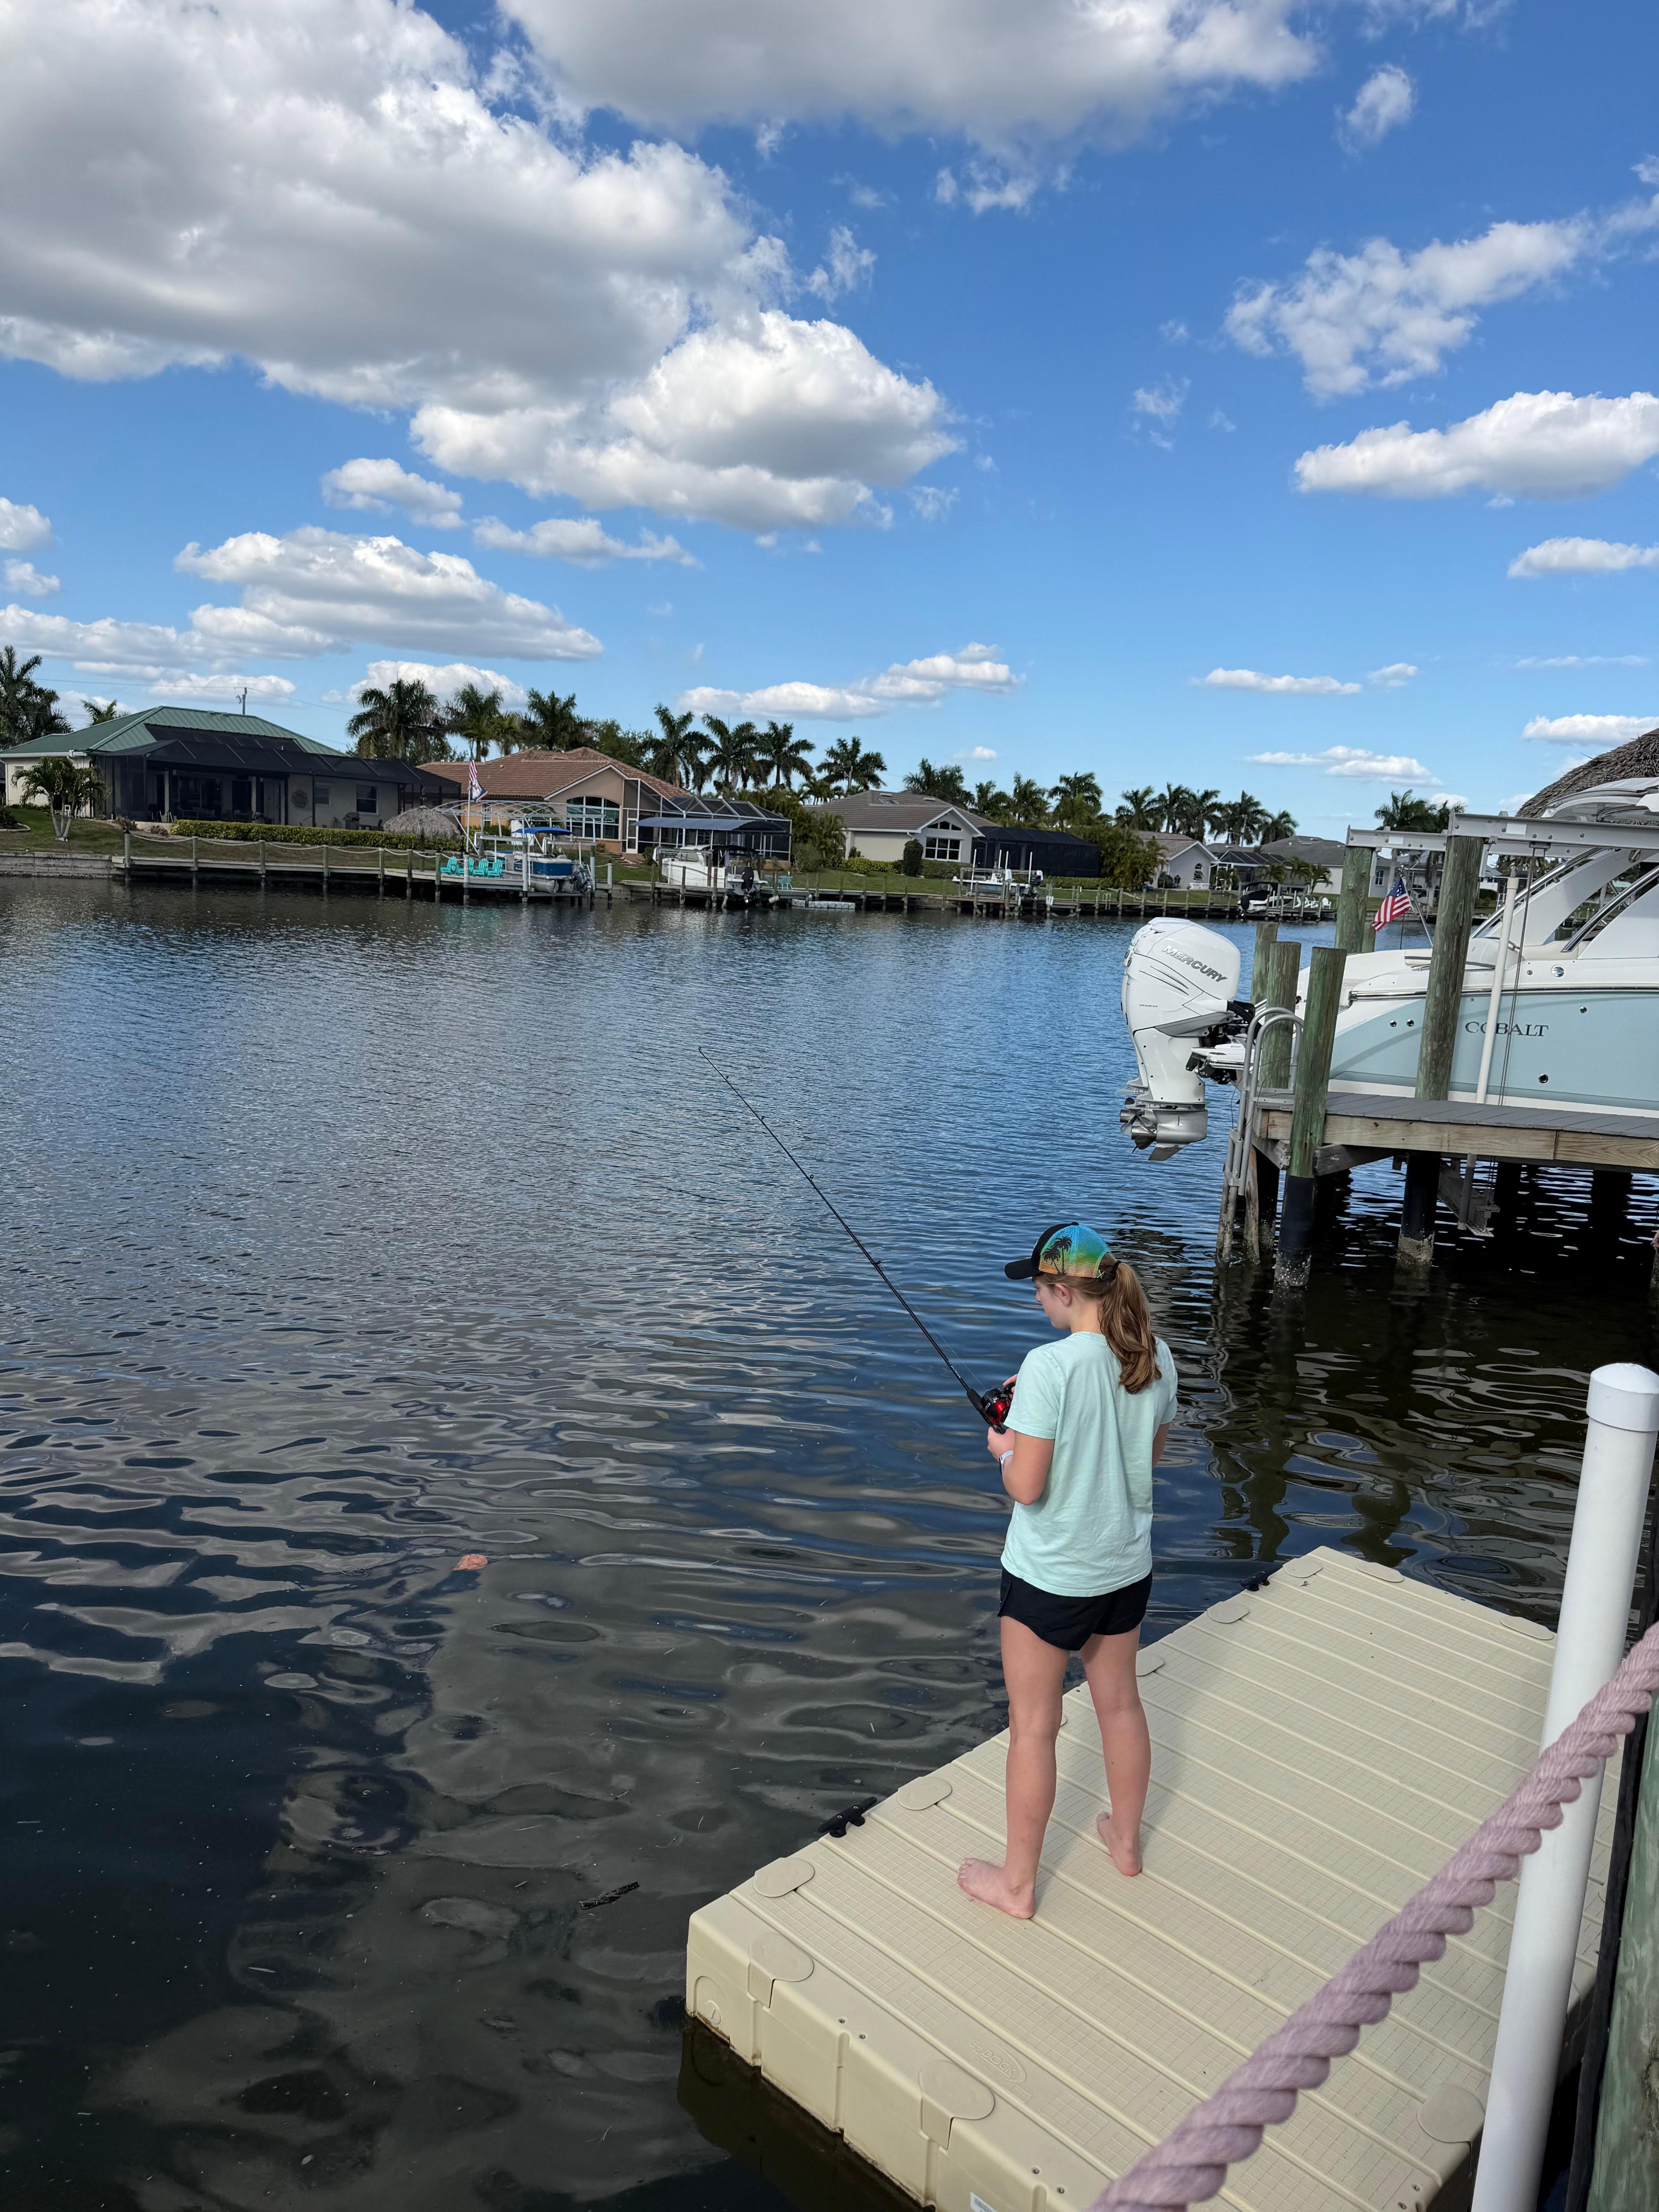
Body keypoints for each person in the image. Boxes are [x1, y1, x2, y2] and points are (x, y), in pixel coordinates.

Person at [957, 1223, 1176, 1920]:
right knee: (1120, 1706)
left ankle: (1018, 1887)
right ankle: (1127, 1846)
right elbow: (1145, 1461)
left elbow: (1027, 1486)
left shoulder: (1049, 1368)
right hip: (1125, 1570)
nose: (1037, 1308)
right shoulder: (1157, 1356)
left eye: (1039, 1293)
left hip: (1049, 1579)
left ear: (1061, 1291)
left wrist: (1004, 1445)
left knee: (1033, 1728)